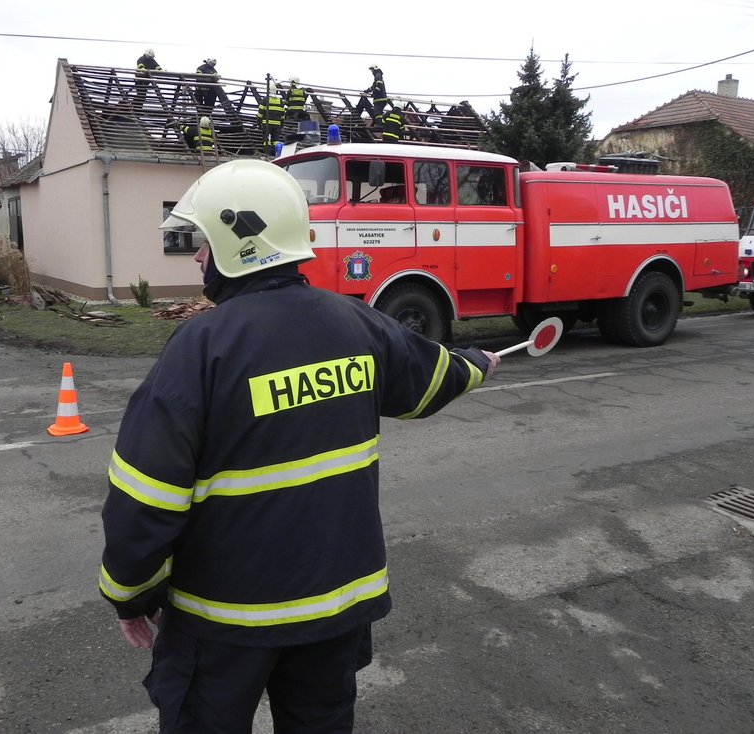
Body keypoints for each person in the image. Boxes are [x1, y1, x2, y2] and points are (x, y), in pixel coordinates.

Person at [98, 159, 500, 733]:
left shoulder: (200, 349)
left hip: (225, 622)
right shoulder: (355, 322)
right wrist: (479, 365)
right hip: (335, 613)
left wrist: (130, 595)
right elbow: (431, 379)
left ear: (240, 243)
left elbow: (144, 499)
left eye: (204, 240)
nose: (196, 255)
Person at [257, 81, 285, 154]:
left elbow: (260, 112)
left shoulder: (265, 99)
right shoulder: (280, 101)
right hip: (277, 125)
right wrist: (281, 124)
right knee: (275, 140)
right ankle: (275, 153)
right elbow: (283, 115)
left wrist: (259, 122)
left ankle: (267, 153)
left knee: (266, 139)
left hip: (267, 123)